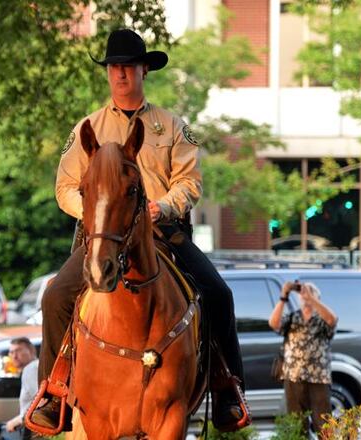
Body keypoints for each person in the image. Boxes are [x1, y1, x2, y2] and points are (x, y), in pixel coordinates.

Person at [31, 28, 245, 431]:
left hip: (163, 232)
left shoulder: (172, 126)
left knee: (218, 293)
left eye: (128, 66)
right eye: (114, 67)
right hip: (104, 236)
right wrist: (96, 214)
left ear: (144, 70)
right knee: (55, 296)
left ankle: (227, 388)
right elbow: (64, 187)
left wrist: (161, 207)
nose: (121, 74)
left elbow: (190, 182)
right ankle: (53, 389)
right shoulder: (87, 129)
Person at [268, 281, 338, 435]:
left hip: (318, 378)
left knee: (324, 425)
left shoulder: (322, 319)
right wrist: (283, 296)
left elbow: (332, 320)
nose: (305, 295)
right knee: (296, 424)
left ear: (317, 298)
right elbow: (273, 323)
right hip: (293, 377)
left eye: (311, 292)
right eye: (303, 293)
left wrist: (312, 299)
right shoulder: (293, 317)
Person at [0, 337, 39, 440]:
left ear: (32, 351)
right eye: (11, 352)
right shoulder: (35, 367)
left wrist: (21, 419)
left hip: (32, 430)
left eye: (18, 351)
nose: (14, 356)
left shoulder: (31, 369)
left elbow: (41, 400)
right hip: (31, 426)